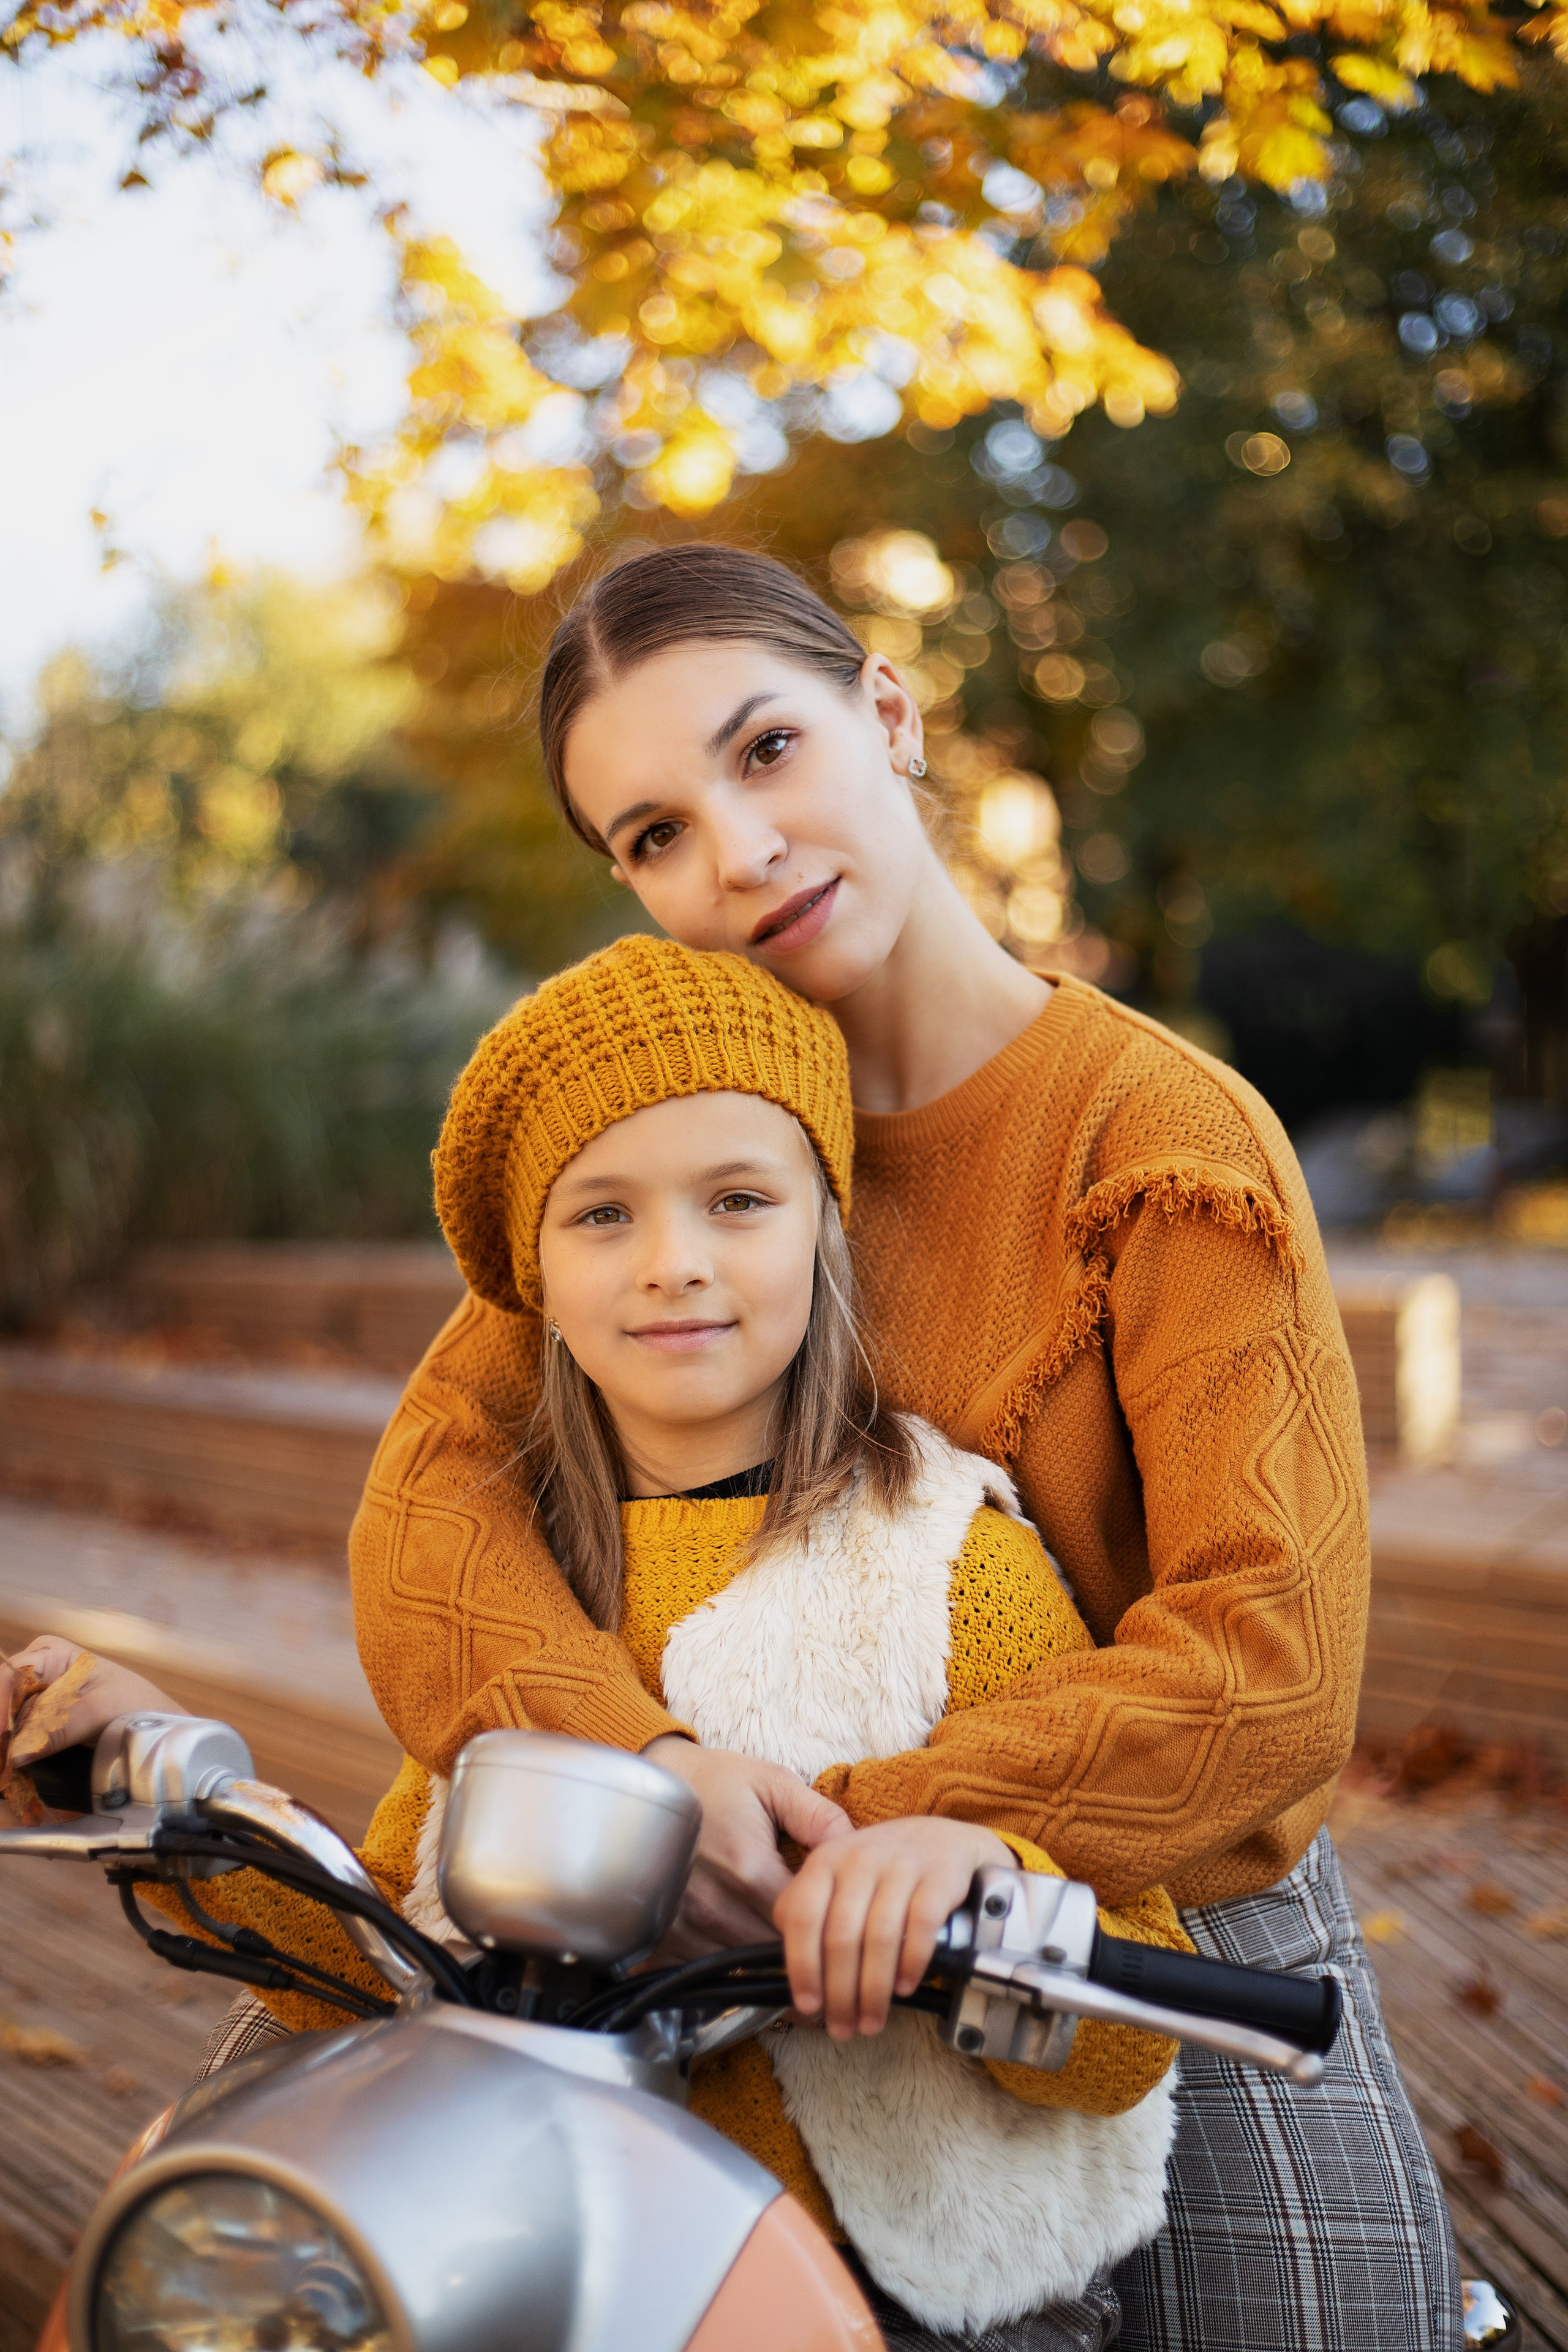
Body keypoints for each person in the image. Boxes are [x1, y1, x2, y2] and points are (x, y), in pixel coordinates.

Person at [341, 544, 1460, 2352]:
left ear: (888, 712)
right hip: (703, 1896)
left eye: (765, 751)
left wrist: (914, 1826)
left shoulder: (1160, 1139)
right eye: (653, 834)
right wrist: (650, 1773)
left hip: (1152, 1910)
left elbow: (1269, 1666)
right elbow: (432, 1502)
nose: (737, 852)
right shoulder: (691, 1123)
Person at [5, 936, 1194, 2352]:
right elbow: (387, 1960)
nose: (674, 1263)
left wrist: (983, 1874)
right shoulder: (528, 1598)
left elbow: (1128, 2034)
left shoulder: (947, 1564)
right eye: (602, 1216)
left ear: (824, 1226)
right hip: (561, 2269)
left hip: (887, 2286)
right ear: (535, 1284)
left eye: (738, 1200)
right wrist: (178, 1785)